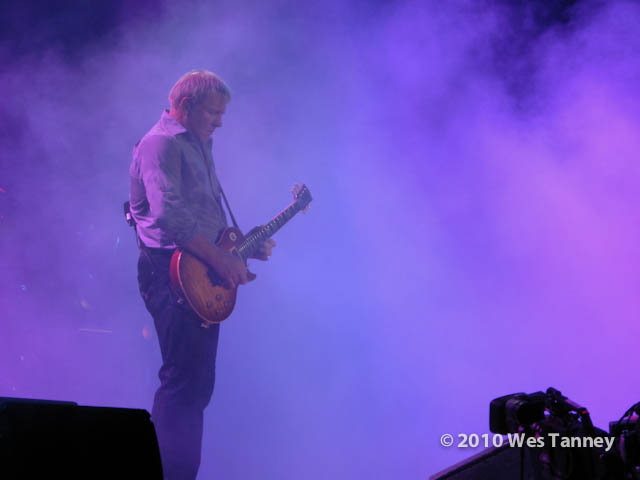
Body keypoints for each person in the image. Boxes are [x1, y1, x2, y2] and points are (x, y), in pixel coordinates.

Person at [129, 70, 275, 480]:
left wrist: (239, 248)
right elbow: (171, 217)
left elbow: (203, 216)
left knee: (195, 386)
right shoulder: (159, 144)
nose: (220, 122)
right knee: (182, 383)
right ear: (186, 106)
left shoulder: (198, 143)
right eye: (213, 112)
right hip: (169, 271)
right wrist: (221, 260)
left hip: (196, 267)